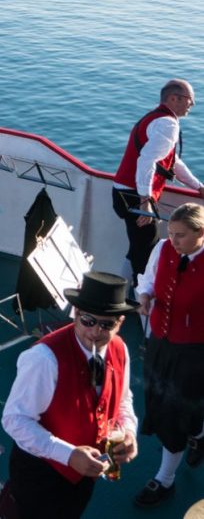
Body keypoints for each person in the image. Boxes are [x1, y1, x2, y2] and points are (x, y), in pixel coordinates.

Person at [2, 272, 139, 518]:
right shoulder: (44, 359)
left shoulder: (120, 349)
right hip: (40, 477)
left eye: (107, 324)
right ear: (75, 313)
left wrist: (129, 430)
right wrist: (68, 454)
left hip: (85, 475)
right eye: (88, 320)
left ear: (119, 323)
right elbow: (14, 419)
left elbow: (123, 400)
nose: (96, 331)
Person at [133, 202, 204, 508]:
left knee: (173, 415)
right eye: (171, 233)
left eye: (181, 235)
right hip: (159, 344)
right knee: (159, 401)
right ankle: (200, 434)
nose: (173, 241)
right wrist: (146, 296)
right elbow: (147, 281)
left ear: (201, 233)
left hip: (193, 352)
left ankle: (165, 479)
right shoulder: (161, 249)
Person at [113, 79, 204, 287]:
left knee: (138, 247)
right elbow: (146, 161)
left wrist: (197, 186)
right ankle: (140, 301)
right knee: (146, 252)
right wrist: (145, 200)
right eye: (190, 100)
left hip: (124, 193)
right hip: (135, 197)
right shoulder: (167, 124)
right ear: (174, 98)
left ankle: (121, 294)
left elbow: (171, 162)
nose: (192, 105)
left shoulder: (156, 117)